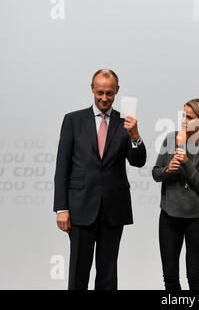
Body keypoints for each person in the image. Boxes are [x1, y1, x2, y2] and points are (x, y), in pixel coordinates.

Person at [53, 69, 147, 290]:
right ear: (92, 89)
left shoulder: (125, 123)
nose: (104, 98)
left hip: (113, 210)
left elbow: (138, 161)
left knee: (107, 274)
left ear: (117, 92)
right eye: (100, 93)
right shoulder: (73, 120)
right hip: (80, 209)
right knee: (78, 273)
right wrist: (61, 208)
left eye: (110, 93)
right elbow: (62, 167)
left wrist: (135, 136)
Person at [152, 98, 199, 290]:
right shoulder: (170, 139)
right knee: (170, 276)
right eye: (183, 115)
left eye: (189, 117)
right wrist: (168, 170)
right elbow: (156, 174)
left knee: (194, 275)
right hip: (169, 217)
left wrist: (186, 162)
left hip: (197, 219)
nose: (184, 120)